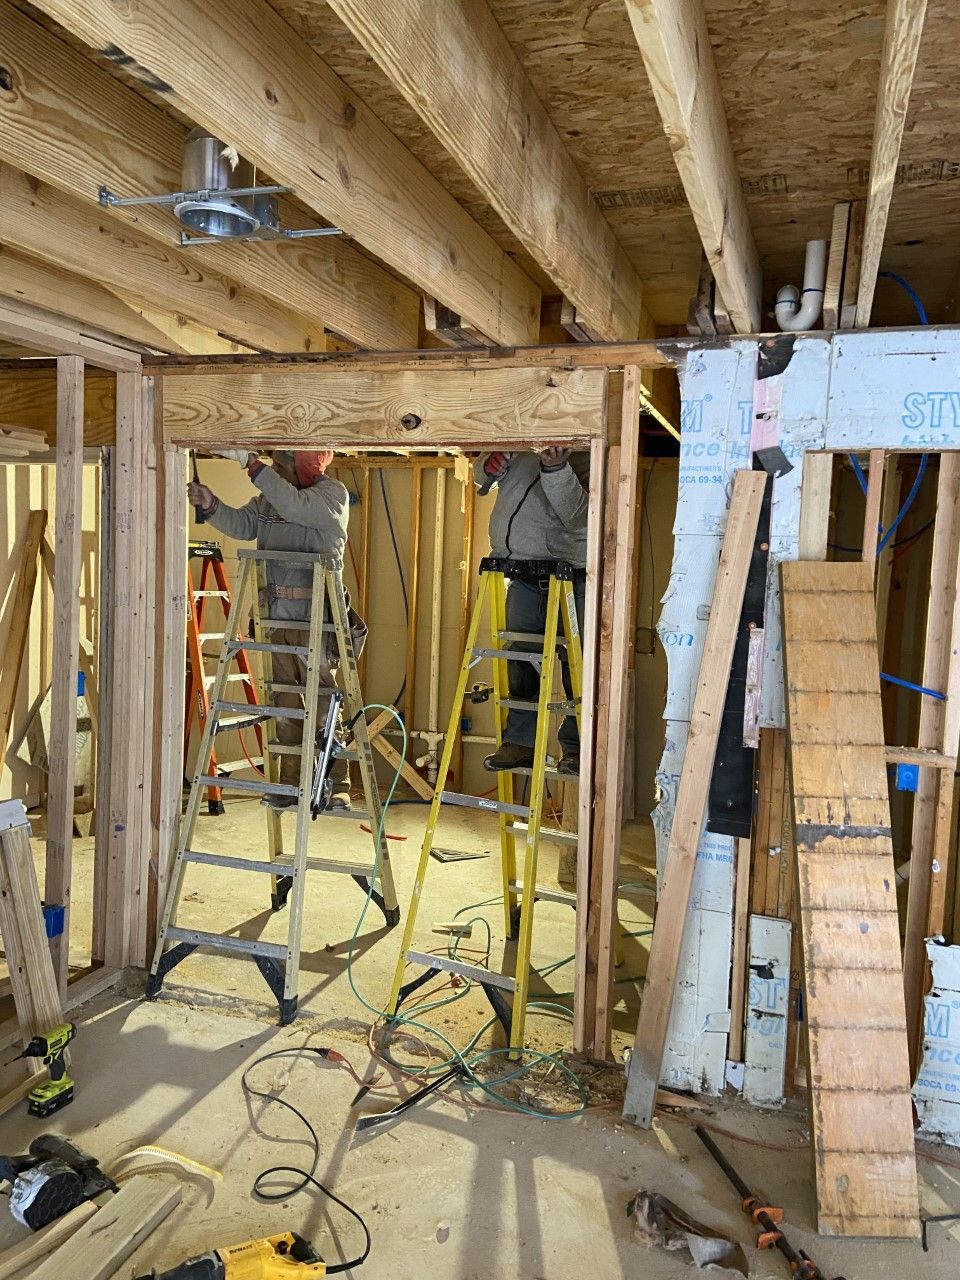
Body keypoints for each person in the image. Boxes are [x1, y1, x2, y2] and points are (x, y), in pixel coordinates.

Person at [188, 448, 356, 810]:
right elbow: (244, 524)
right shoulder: (270, 500)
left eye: (282, 465)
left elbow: (295, 506)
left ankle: (336, 784)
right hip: (276, 618)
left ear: (306, 467)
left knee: (323, 700)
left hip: (318, 620)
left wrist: (252, 466)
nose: (275, 472)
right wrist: (212, 505)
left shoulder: (331, 496)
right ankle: (290, 784)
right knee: (285, 701)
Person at [473, 446, 589, 776]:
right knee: (522, 661)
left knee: (576, 666)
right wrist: (488, 466)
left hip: (571, 577)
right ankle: (520, 743)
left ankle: (577, 749)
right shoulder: (527, 442)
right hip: (521, 575)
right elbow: (481, 478)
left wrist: (556, 468)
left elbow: (579, 516)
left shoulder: (588, 453)